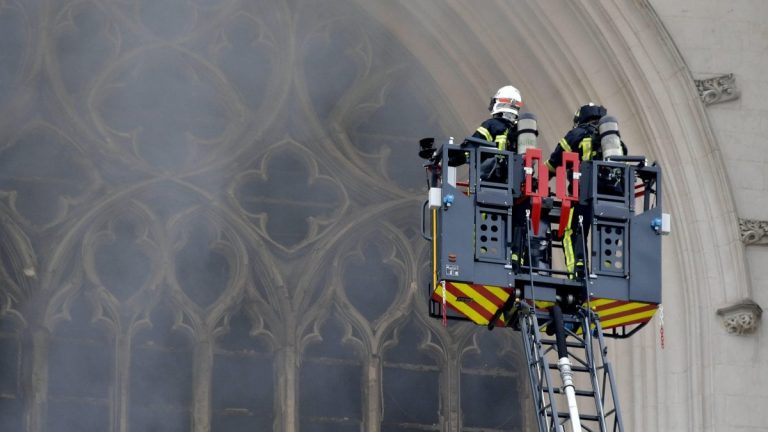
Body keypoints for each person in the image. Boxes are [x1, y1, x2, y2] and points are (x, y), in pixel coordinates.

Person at [546, 103, 627, 279]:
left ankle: (578, 270)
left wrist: (542, 177)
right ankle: (608, 269)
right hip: (613, 197)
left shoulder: (577, 134)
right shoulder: (615, 141)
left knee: (571, 231)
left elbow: (555, 160)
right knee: (609, 230)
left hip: (583, 195)